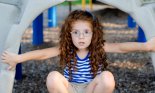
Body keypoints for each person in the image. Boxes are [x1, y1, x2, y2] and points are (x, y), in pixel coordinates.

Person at [1, 10, 155, 93]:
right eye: (76, 32)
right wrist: (18, 58)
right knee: (53, 77)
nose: (81, 36)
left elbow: (121, 47)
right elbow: (43, 53)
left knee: (107, 77)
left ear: (94, 33)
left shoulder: (98, 47)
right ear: (69, 34)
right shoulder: (66, 49)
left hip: (92, 88)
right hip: (71, 88)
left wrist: (146, 46)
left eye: (86, 32)